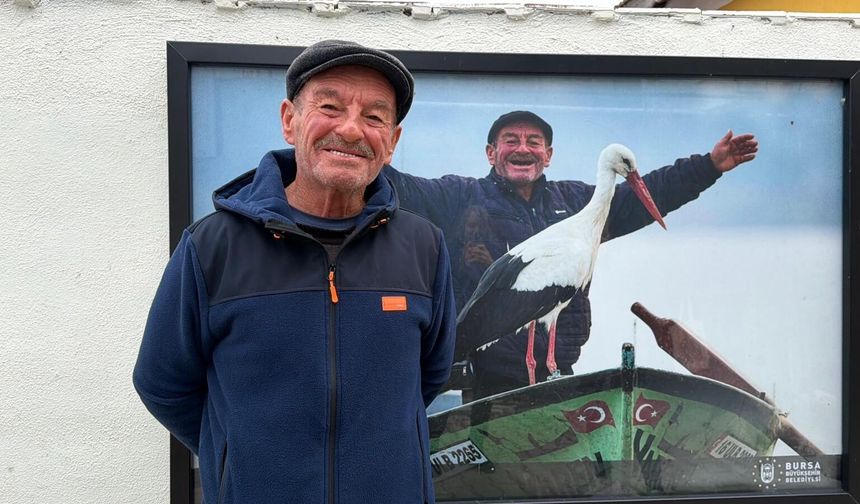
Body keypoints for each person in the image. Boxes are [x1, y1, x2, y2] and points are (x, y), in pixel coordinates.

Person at [133, 40, 456, 504]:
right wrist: (235, 455)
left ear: (391, 142)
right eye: (330, 107)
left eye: (374, 117)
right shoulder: (212, 246)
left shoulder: (424, 246)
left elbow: (430, 375)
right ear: (290, 120)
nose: (351, 129)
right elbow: (163, 383)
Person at [383, 110, 757, 399]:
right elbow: (405, 190)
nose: (523, 148)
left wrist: (708, 166)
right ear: (490, 153)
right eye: (511, 140)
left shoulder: (580, 203)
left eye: (534, 142)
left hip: (559, 377)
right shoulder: (460, 198)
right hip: (486, 383)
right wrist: (368, 154)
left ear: (548, 155)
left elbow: (645, 192)